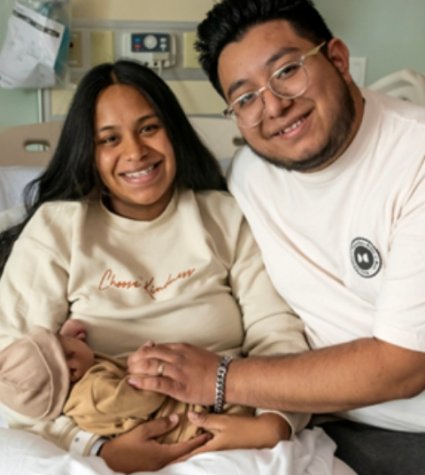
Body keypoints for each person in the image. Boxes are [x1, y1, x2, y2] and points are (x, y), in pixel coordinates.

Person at [125, 1, 425, 474]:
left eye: (287, 71)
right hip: (302, 419)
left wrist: (221, 379)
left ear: (339, 60)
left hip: (407, 430)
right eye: (245, 98)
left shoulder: (414, 160)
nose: (274, 106)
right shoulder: (248, 180)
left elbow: (405, 366)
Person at [0, 59, 309, 473]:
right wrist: (97, 450)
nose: (135, 152)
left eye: (148, 128)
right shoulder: (58, 229)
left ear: (173, 131)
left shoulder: (224, 216)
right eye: (109, 139)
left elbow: (277, 331)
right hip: (99, 438)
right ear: (89, 153)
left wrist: (273, 423)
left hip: (230, 426)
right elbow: (13, 371)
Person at [0, 322, 252, 443]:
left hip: (189, 413)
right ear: (73, 369)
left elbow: (61, 366)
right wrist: (143, 369)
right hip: (189, 420)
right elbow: (143, 398)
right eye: (61, 340)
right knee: (241, 407)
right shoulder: (94, 393)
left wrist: (67, 341)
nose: (68, 337)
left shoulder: (81, 382)